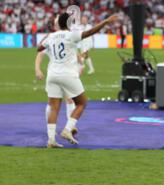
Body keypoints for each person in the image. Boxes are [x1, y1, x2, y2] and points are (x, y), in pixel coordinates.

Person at [35, 12, 117, 147]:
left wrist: (48, 37)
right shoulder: (70, 35)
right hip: (67, 74)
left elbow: (39, 48)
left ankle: (51, 140)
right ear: (68, 24)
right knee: (82, 103)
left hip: (52, 75)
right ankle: (67, 129)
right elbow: (90, 32)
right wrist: (106, 21)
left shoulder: (51, 36)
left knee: (54, 107)